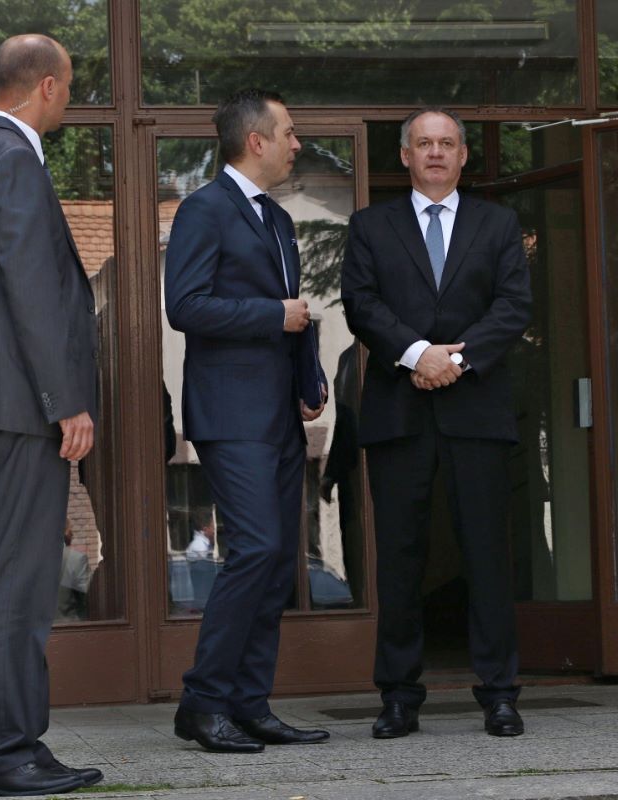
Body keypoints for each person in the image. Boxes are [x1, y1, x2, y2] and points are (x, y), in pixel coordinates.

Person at [0, 33, 103, 797]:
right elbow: (31, 291)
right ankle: (4, 756)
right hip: (18, 405)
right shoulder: (11, 160)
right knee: (16, 584)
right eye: (69, 86)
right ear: (46, 86)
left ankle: (21, 746)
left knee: (17, 579)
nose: (70, 99)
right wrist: (66, 402)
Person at [341, 106, 532, 739]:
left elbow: (513, 305)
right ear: (404, 155)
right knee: (399, 558)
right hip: (399, 414)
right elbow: (360, 303)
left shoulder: (498, 224)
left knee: (487, 554)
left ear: (463, 155)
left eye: (447, 143)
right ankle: (398, 696)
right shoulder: (370, 226)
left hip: (476, 413)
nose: (435, 153)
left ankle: (499, 694)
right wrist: (417, 354)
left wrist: (456, 360)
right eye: (424, 143)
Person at [164, 88, 330, 753]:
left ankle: (250, 705)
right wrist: (273, 316)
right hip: (230, 416)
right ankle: (202, 703)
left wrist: (308, 381)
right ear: (255, 141)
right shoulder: (204, 209)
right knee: (256, 548)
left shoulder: (278, 220)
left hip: (279, 415)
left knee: (278, 558)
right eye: (289, 132)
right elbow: (186, 306)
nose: (298, 144)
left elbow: (294, 314)